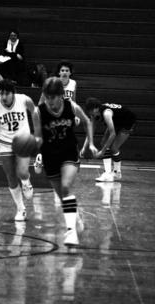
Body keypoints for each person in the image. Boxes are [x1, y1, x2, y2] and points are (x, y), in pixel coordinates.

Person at [35, 77, 97, 246]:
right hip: (50, 156)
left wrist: (90, 144)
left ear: (61, 95)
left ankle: (70, 232)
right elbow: (38, 137)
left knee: (66, 187)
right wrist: (37, 153)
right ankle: (76, 219)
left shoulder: (72, 107)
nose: (49, 100)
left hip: (69, 152)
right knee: (63, 196)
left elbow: (87, 122)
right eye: (47, 97)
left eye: (53, 97)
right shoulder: (38, 112)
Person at [0, 79, 41, 221]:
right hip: (4, 143)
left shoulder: (24, 100)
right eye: (1, 93)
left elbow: (35, 111)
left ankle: (26, 182)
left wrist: (37, 134)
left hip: (22, 140)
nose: (3, 97)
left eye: (6, 93)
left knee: (22, 172)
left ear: (13, 93)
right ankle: (21, 209)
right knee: (11, 176)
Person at [84, 97, 136, 182]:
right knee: (104, 142)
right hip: (117, 120)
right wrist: (85, 147)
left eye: (90, 111)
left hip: (128, 121)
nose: (90, 114)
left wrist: (102, 152)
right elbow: (91, 131)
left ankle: (117, 172)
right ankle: (107, 173)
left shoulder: (106, 113)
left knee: (114, 148)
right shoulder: (95, 113)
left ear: (96, 109)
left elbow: (113, 134)